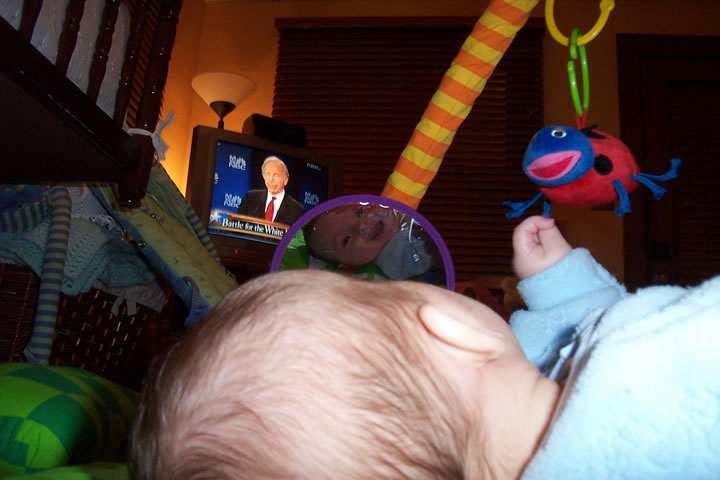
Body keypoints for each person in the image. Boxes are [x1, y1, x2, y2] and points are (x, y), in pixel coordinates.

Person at [130, 215, 720, 480]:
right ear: (453, 331)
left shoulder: (530, 411)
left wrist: (561, 283)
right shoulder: (661, 362)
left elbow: (560, 354)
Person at [302, 202, 435, 280]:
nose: (361, 226)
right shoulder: (392, 260)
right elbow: (432, 254)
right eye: (346, 239)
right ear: (347, 265)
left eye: (360, 212)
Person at [237, 155, 304, 225]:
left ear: (286, 180)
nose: (271, 179)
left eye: (276, 175)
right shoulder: (250, 198)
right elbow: (237, 227)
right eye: (268, 174)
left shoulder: (297, 211)